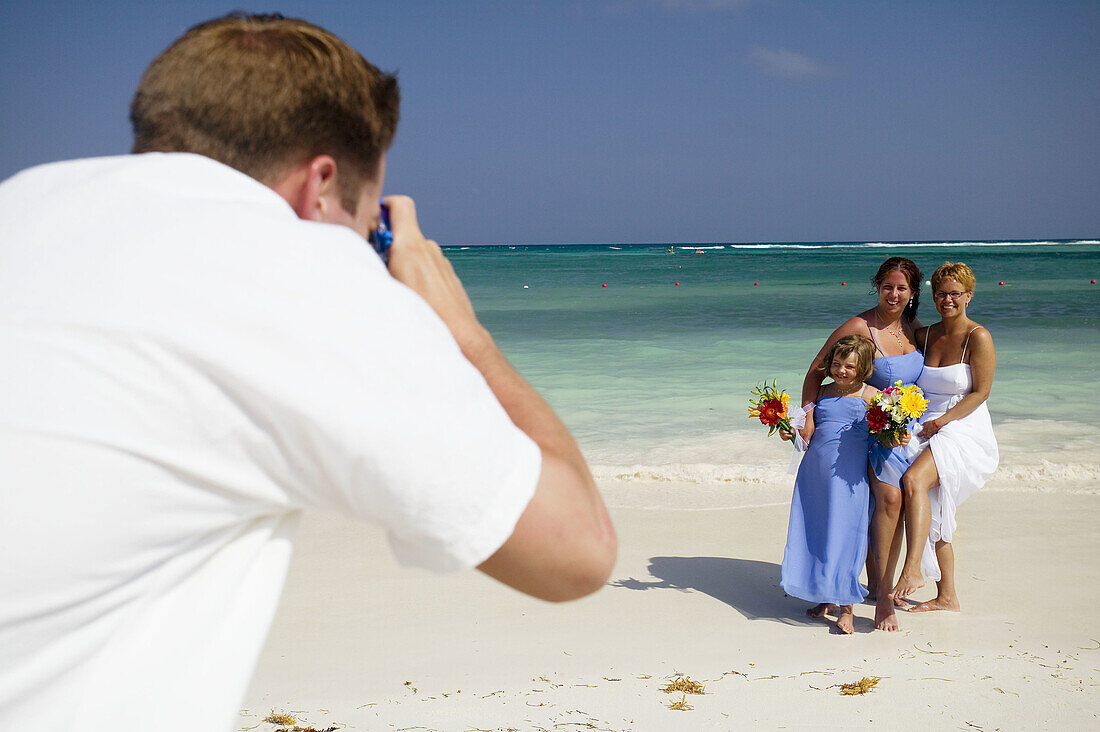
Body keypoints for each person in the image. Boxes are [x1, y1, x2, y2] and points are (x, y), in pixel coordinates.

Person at [0, 13, 615, 732]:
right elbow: (577, 549)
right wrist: (463, 332)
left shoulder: (26, 200)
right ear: (320, 186)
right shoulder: (298, 267)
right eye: (369, 220)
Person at [799, 257, 924, 631]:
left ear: (913, 293)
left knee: (895, 505)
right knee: (884, 501)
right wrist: (808, 413)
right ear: (878, 287)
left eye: (902, 288)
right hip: (862, 430)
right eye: (887, 286)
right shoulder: (859, 325)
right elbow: (817, 370)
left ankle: (876, 587)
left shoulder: (914, 328)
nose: (894, 294)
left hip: (902, 430)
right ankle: (879, 595)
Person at [890, 262, 998, 612]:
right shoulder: (925, 335)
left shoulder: (977, 337)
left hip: (962, 425)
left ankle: (911, 571)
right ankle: (947, 596)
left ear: (968, 296)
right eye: (941, 293)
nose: (947, 300)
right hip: (924, 423)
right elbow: (892, 342)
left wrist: (941, 423)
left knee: (913, 481)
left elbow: (980, 392)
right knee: (934, 506)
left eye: (955, 293)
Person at [781, 335, 881, 634]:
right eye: (837, 364)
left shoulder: (872, 396)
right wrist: (790, 434)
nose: (841, 371)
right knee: (818, 531)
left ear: (863, 368)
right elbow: (804, 438)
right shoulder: (820, 395)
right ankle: (823, 596)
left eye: (850, 366)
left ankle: (846, 606)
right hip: (814, 475)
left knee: (846, 534)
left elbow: (888, 433)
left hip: (848, 479)